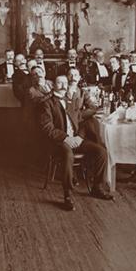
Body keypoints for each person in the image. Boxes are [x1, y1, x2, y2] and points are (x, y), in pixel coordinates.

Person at [39, 75, 114, 210]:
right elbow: (47, 128)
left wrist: (79, 137)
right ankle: (67, 194)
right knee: (68, 154)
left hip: (75, 138)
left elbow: (82, 122)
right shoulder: (46, 103)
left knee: (101, 151)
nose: (63, 85)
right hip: (58, 142)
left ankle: (97, 187)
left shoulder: (71, 101)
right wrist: (66, 138)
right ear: (53, 85)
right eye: (59, 82)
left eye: (65, 82)